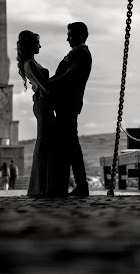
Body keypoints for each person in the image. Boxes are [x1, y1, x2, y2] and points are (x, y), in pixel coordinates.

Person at [17, 30, 65, 197]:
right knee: (44, 143)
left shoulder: (30, 63)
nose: (40, 45)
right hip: (43, 104)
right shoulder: (30, 64)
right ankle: (39, 187)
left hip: (42, 103)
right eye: (37, 43)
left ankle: (42, 185)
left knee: (46, 143)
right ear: (31, 45)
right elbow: (46, 86)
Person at [49, 22, 92, 197]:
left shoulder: (80, 53)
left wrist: (47, 84)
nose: (67, 38)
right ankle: (71, 184)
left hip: (68, 103)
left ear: (82, 35)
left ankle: (80, 185)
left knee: (71, 145)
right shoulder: (79, 53)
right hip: (67, 103)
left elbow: (69, 75)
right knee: (69, 144)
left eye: (71, 35)